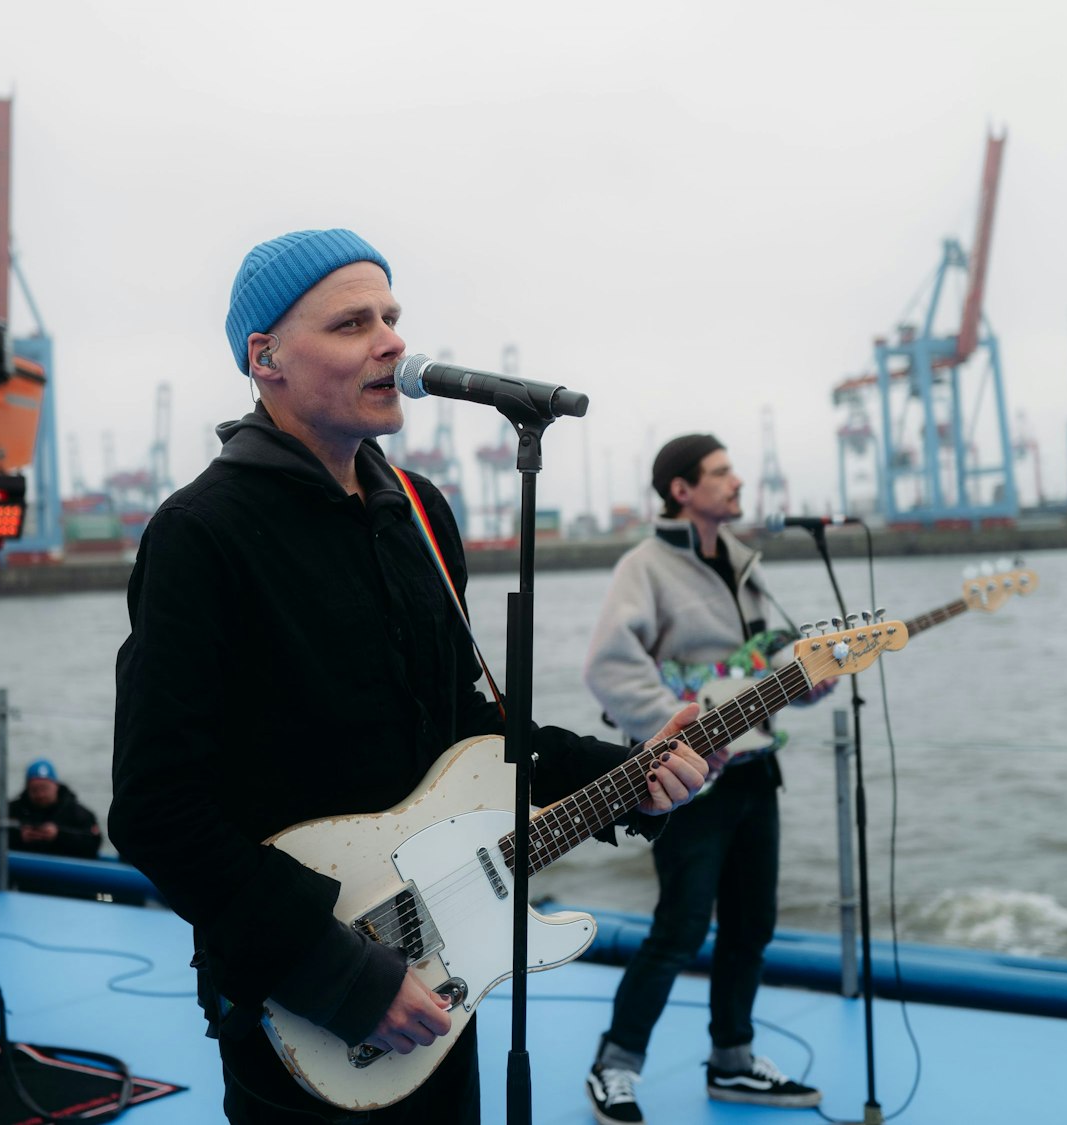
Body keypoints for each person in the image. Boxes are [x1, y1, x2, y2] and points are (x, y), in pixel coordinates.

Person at [110, 229, 719, 1125]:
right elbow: (157, 808)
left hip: (443, 963)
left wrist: (626, 776)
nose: (392, 340)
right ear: (264, 356)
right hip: (307, 998)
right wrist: (340, 974)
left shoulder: (420, 512)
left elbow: (465, 733)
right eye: (353, 322)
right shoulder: (201, 532)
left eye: (392, 315)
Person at [581, 434, 832, 1124]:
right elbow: (609, 666)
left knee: (753, 923)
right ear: (681, 489)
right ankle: (615, 1064)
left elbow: (755, 666)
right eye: (720, 473)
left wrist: (808, 682)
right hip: (684, 776)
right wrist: (678, 730)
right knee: (681, 925)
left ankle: (733, 1060)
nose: (736, 481)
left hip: (754, 767)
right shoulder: (646, 566)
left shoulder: (743, 565)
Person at [5, 758, 102, 858]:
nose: (40, 794)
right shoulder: (11, 810)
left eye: (44, 788)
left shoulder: (79, 814)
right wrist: (18, 836)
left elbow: (93, 844)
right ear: (27, 788)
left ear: (56, 786)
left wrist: (59, 836)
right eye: (34, 790)